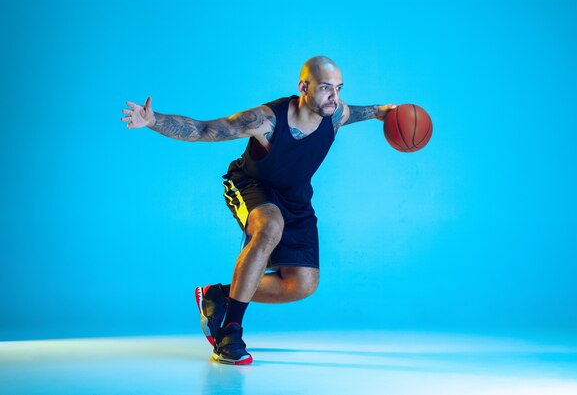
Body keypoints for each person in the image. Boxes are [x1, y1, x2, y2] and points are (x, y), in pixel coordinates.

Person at [121, 56, 394, 365]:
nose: (335, 96)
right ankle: (230, 333)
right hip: (251, 184)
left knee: (301, 284)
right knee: (269, 227)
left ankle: (220, 295)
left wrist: (381, 113)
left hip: (296, 197)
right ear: (303, 87)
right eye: (325, 88)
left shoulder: (334, 114)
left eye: (339, 88)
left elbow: (358, 111)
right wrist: (154, 120)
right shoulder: (266, 120)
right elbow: (203, 129)